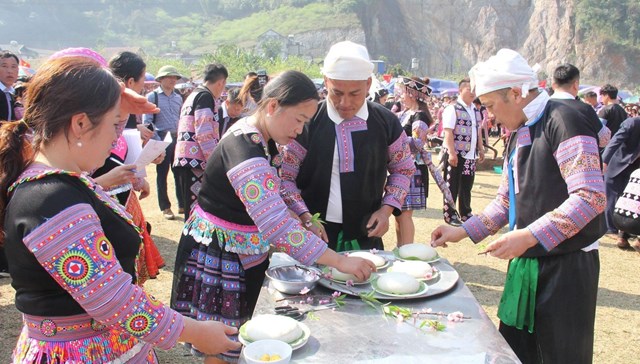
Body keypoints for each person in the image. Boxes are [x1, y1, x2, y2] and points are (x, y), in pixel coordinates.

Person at [0, 55, 240, 363]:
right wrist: (195, 332)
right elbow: (115, 301)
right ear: (80, 123)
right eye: (115, 124)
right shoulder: (51, 198)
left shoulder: (58, 182)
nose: (118, 138)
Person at [171, 70, 376, 363]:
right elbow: (277, 226)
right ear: (272, 107)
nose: (300, 130)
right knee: (221, 341)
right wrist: (341, 260)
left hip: (239, 247)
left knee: (238, 334)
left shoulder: (260, 138)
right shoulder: (243, 149)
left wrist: (304, 215)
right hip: (221, 252)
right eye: (299, 120)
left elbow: (275, 187)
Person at [431, 48, 605, 364]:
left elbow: (590, 196)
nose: (489, 117)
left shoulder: (564, 120)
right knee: (516, 353)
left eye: (490, 106)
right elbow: (506, 201)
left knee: (559, 355)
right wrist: (461, 232)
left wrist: (528, 236)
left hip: (566, 267)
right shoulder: (521, 129)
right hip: (528, 262)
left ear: (516, 93)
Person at [280, 41, 415, 251]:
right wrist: (305, 218)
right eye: (336, 93)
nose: (344, 103)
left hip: (367, 235)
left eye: (354, 93)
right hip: (314, 235)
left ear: (368, 84)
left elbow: (403, 168)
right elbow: (286, 177)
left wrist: (386, 210)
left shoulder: (386, 122)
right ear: (326, 82)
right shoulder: (307, 122)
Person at [394, 76, 460, 244]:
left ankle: (406, 251)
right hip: (401, 167)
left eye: (403, 92)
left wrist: (394, 142)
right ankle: (400, 248)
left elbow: (417, 143)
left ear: (413, 94)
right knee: (398, 213)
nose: (400, 96)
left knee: (405, 214)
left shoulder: (420, 116)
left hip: (412, 169)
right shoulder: (406, 114)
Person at [174, 63, 228, 218]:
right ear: (221, 82)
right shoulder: (205, 97)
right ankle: (192, 240)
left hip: (187, 157)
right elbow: (204, 133)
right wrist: (214, 162)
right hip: (196, 160)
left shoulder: (194, 94)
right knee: (196, 208)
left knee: (192, 206)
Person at [144, 65, 186, 220]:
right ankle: (165, 207)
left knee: (179, 172)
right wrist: (157, 141)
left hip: (177, 138)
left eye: (175, 77)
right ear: (161, 79)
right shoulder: (152, 97)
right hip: (161, 137)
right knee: (162, 174)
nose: (173, 80)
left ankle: (182, 204)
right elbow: (148, 122)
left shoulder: (178, 97)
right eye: (170, 77)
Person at [441, 78, 485, 224]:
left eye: (474, 90)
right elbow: (448, 132)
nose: (472, 93)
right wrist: (452, 153)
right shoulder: (452, 108)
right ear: (460, 90)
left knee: (467, 185)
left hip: (470, 154)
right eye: (469, 89)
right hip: (457, 153)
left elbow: (477, 130)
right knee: (451, 185)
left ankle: (466, 213)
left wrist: (481, 148)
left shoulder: (475, 110)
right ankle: (450, 215)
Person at [550, 63, 611, 148]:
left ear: (553, 85)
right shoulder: (584, 109)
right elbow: (604, 139)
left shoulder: (540, 108)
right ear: (575, 84)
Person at [602, 116, 640, 248]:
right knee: (611, 196)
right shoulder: (633, 123)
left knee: (631, 202)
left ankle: (623, 235)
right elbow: (615, 141)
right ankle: (611, 229)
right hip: (617, 163)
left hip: (636, 169)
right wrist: (604, 161)